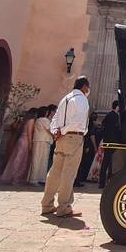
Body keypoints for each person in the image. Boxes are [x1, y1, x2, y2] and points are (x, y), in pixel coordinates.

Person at [40, 78, 91, 217]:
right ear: (85, 87)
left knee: (55, 172)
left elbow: (55, 118)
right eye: (88, 87)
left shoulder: (65, 98)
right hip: (74, 137)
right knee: (69, 173)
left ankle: (47, 204)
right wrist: (63, 131)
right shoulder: (82, 100)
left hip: (61, 138)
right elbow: (77, 121)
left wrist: (56, 131)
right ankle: (64, 207)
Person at [0, 109, 35, 185]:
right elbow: (29, 133)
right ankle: (16, 178)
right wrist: (30, 144)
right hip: (25, 141)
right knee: (22, 160)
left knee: (16, 159)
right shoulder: (31, 121)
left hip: (20, 140)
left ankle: (12, 177)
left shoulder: (24, 121)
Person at [28, 105, 55, 186]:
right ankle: (34, 179)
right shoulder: (44, 120)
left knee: (41, 160)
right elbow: (50, 130)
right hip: (42, 141)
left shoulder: (39, 120)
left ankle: (40, 178)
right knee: (38, 160)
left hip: (42, 141)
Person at [98, 100, 121, 189]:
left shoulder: (108, 115)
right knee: (108, 162)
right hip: (112, 142)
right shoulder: (114, 116)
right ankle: (105, 182)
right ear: (117, 106)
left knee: (107, 162)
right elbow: (117, 129)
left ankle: (103, 182)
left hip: (108, 141)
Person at [75, 112, 100, 187]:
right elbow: (91, 136)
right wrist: (94, 147)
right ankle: (80, 178)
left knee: (82, 163)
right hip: (88, 146)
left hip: (84, 145)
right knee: (84, 163)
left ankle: (79, 178)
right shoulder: (91, 126)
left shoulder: (86, 124)